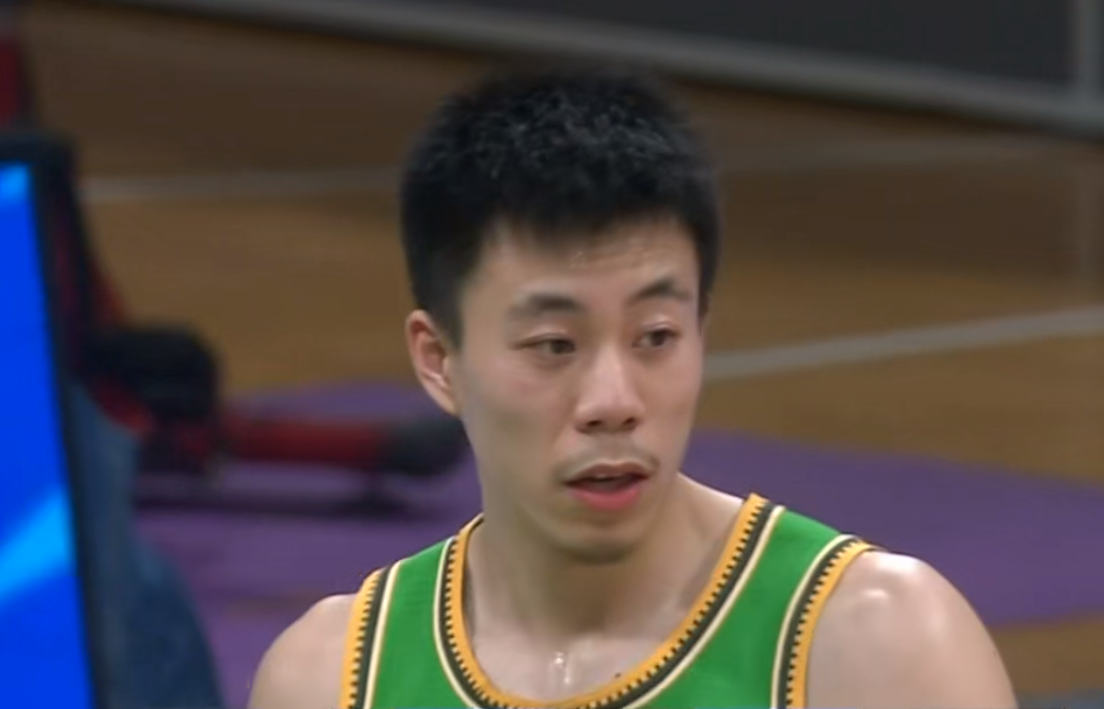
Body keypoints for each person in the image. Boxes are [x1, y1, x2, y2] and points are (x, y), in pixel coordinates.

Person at [247, 65, 1018, 709]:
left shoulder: (875, 647)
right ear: (438, 359)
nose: (613, 400)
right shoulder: (333, 680)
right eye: (554, 345)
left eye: (655, 336)